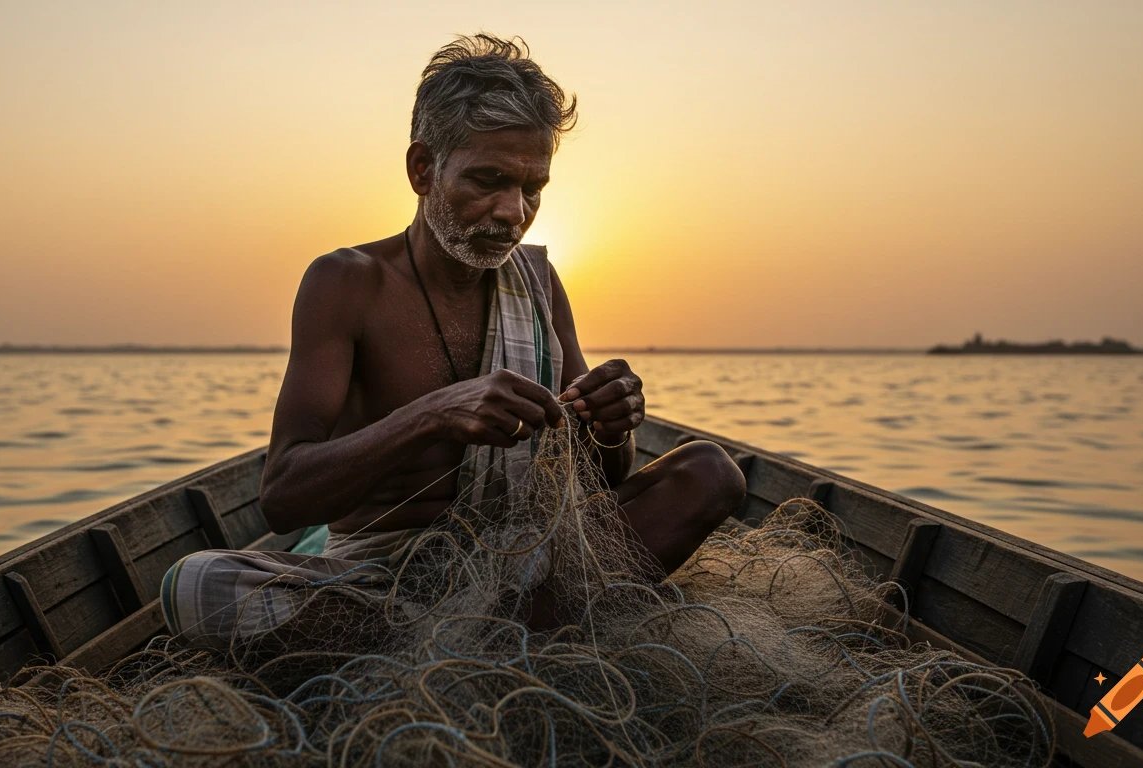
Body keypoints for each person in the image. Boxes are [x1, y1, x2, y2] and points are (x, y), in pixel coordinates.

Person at [162, 34, 745, 649]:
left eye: (533, 188)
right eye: (488, 180)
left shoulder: (540, 282)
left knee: (710, 472)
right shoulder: (346, 283)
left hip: (531, 563)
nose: (512, 212)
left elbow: (602, 477)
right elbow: (282, 499)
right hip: (379, 579)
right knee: (197, 585)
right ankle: (517, 647)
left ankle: (469, 648)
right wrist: (434, 415)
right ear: (422, 170)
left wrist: (611, 425)